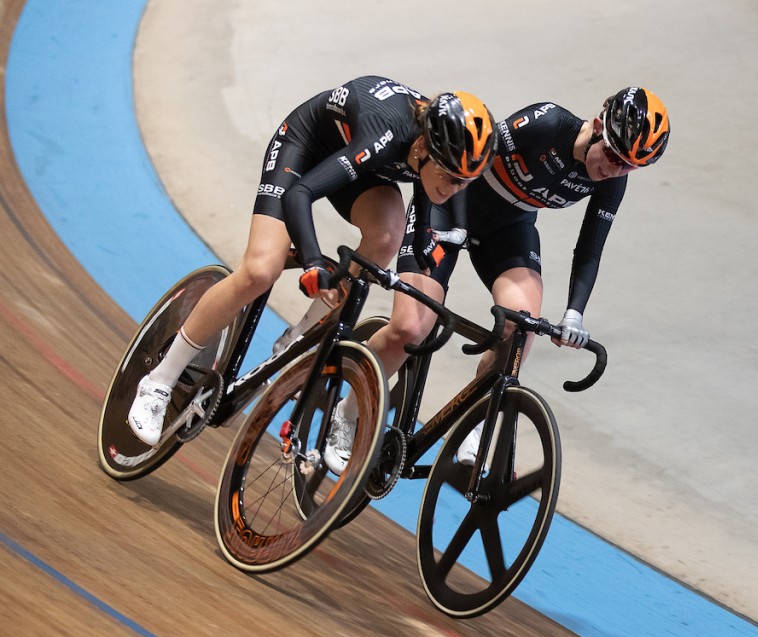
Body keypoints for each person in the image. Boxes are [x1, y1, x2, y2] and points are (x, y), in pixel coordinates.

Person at [127, 76, 497, 455]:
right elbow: (301, 193)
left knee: (386, 236)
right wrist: (313, 259)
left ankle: (300, 336)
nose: (455, 188)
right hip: (303, 150)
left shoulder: (434, 160)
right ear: (422, 146)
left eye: (466, 182)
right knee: (260, 270)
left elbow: (419, 226)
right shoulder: (387, 134)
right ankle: (160, 379)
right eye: (452, 177)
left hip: (361, 169)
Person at [331, 86, 670, 467]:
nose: (613, 168)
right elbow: (468, 160)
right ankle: (346, 414)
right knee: (411, 329)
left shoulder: (613, 181)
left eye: (628, 165)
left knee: (523, 329)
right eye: (611, 153)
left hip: (508, 230)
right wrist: (454, 225)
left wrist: (574, 312)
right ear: (596, 126)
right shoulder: (547, 122)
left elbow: (591, 245)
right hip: (448, 209)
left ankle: (472, 426)